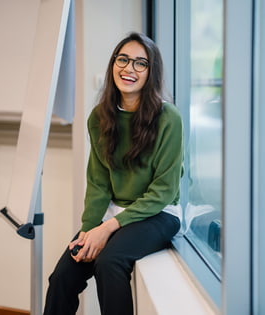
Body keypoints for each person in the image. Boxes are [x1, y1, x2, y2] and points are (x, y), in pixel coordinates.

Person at [43, 32, 184, 315]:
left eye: (140, 63)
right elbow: (98, 184)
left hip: (159, 213)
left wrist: (106, 228)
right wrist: (88, 229)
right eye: (123, 59)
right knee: (62, 277)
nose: (129, 69)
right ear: (113, 65)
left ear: (151, 73)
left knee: (109, 263)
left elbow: (164, 191)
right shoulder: (99, 117)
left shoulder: (169, 118)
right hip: (113, 212)